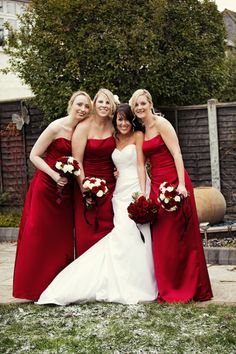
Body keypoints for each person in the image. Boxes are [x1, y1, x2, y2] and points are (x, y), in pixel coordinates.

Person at [36, 103, 157, 305]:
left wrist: (143, 194)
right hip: (118, 192)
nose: (124, 123)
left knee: (137, 234)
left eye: (127, 119)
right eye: (120, 119)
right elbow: (107, 160)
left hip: (136, 187)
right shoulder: (114, 139)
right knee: (122, 235)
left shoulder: (138, 135)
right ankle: (111, 280)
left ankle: (141, 283)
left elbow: (140, 165)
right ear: (115, 121)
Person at [129, 89, 213, 304]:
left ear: (150, 103)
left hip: (175, 183)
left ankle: (191, 287)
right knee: (163, 240)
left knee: (182, 235)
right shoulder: (139, 131)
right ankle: (168, 287)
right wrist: (143, 193)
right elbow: (140, 164)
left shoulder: (162, 124)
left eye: (142, 103)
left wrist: (182, 185)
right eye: (136, 105)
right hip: (157, 186)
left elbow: (176, 152)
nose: (139, 107)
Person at [13, 90, 93, 301]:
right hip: (46, 188)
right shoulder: (56, 127)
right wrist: (54, 174)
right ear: (71, 104)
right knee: (38, 236)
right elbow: (34, 155)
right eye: (80, 104)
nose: (83, 109)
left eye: (86, 107)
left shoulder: (83, 129)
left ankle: (56, 287)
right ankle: (31, 288)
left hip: (66, 193)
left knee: (61, 239)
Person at [72, 88, 117, 257]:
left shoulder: (114, 125)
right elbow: (77, 161)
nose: (104, 105)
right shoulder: (83, 127)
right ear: (94, 103)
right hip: (87, 184)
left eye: (107, 102)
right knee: (89, 231)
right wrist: (85, 189)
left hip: (111, 187)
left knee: (110, 229)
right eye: (101, 101)